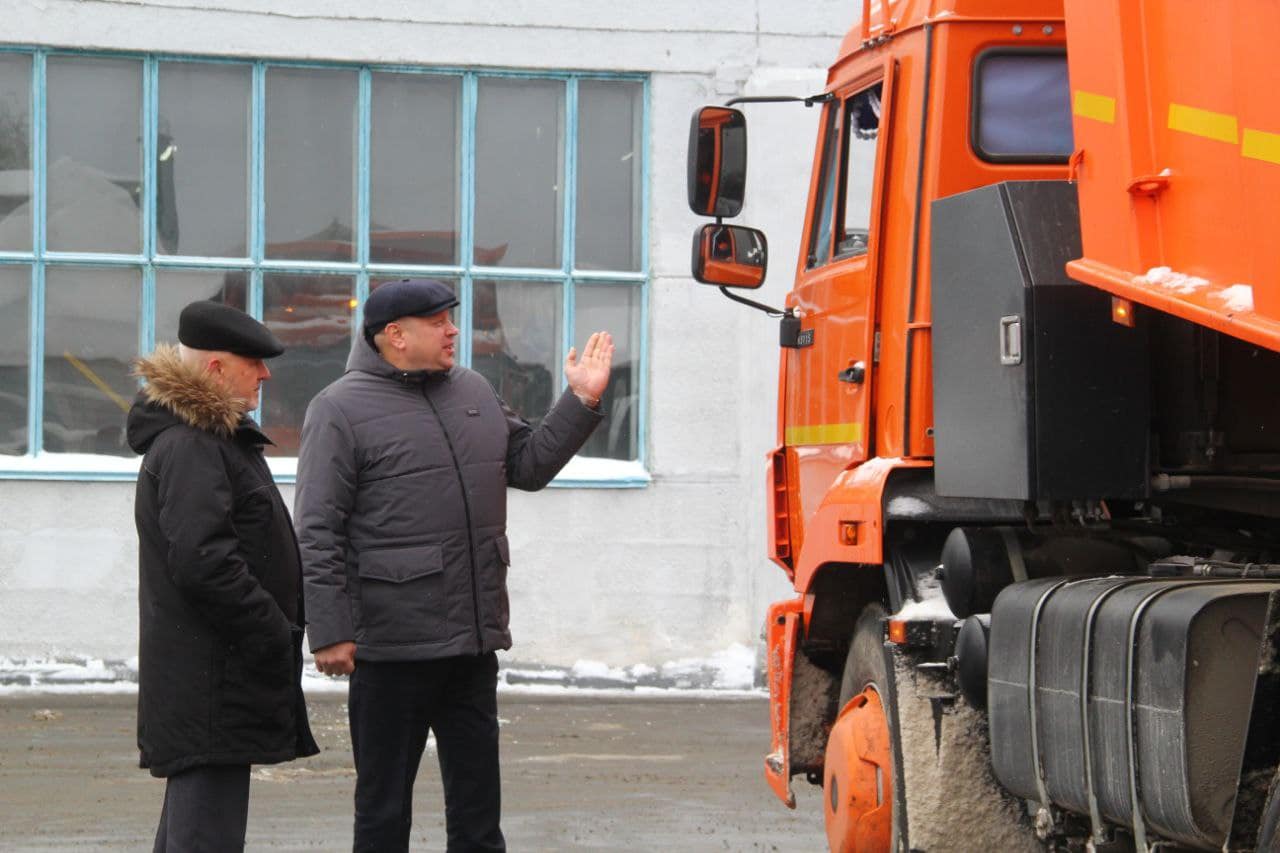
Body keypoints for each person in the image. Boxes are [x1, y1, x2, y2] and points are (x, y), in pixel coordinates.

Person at [295, 278, 612, 852]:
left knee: (478, 816)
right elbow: (317, 528)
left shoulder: (473, 390)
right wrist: (330, 630)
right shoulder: (338, 409)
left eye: (450, 319)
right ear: (395, 336)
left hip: (470, 645)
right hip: (390, 650)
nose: (453, 331)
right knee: (383, 814)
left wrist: (581, 401)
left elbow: (529, 465)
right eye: (439, 322)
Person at [126, 300, 319, 852]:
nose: (265, 373)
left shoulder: (209, 439)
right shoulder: (193, 445)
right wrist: (271, 630)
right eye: (252, 362)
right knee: (205, 836)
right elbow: (203, 561)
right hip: (211, 684)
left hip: (214, 682)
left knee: (194, 832)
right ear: (214, 369)